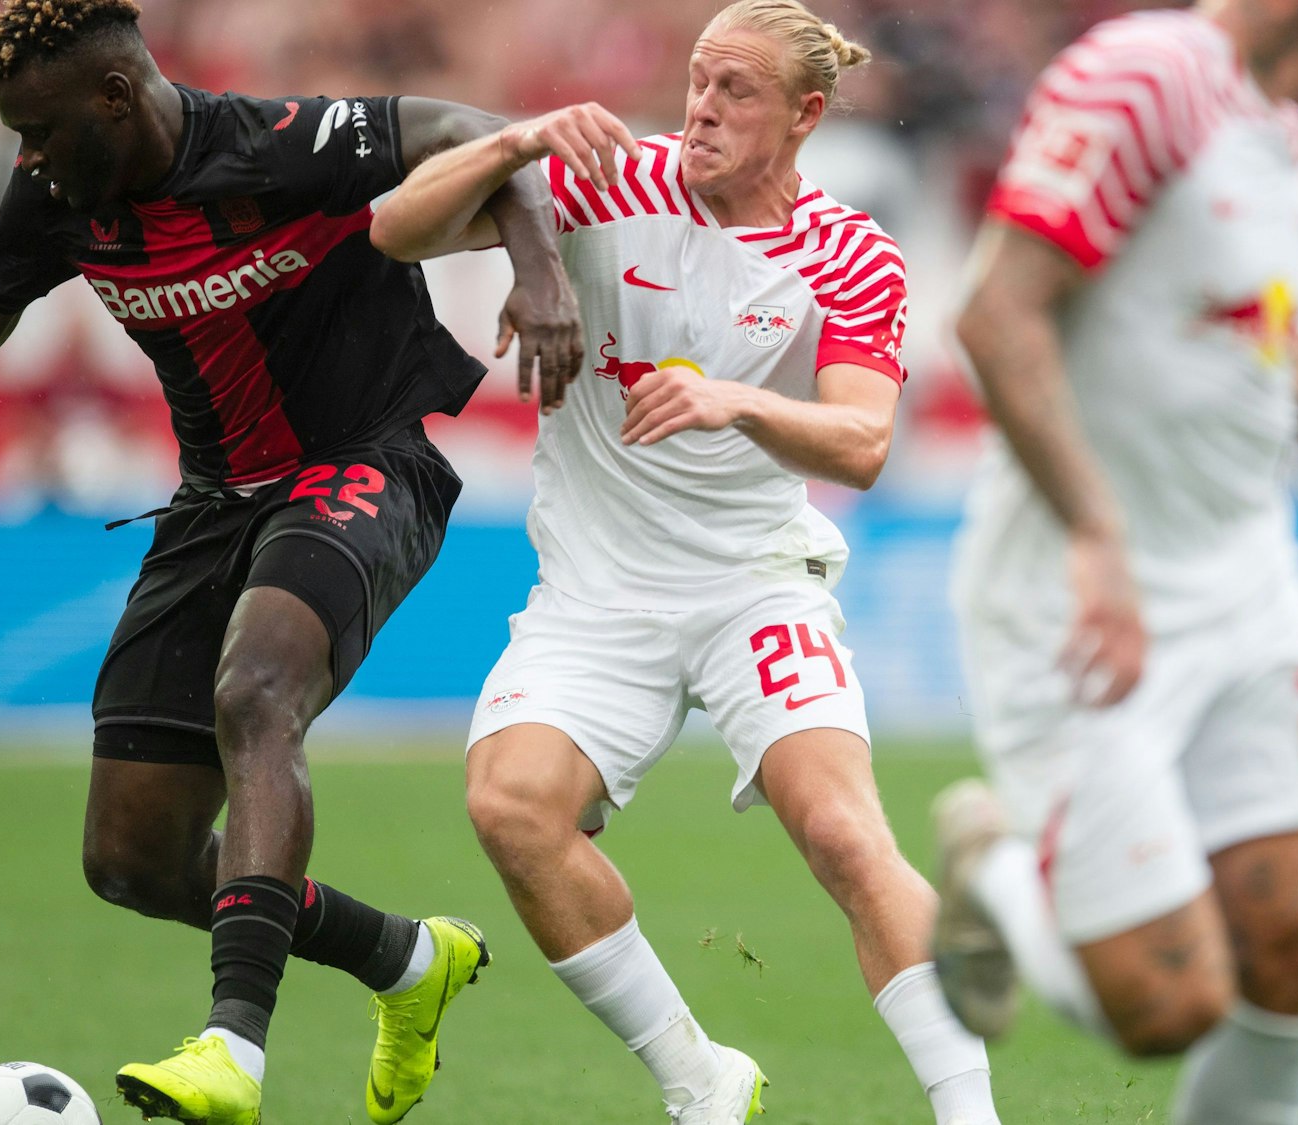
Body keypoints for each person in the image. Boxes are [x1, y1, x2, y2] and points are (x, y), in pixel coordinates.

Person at [0, 0, 590, 1121]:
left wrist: (538, 272)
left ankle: (232, 1052)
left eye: (40, 130)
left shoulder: (283, 143)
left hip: (364, 464)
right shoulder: (57, 201)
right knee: (132, 858)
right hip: (215, 505)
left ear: (115, 98)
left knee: (256, 693)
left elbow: (481, 135)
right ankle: (406, 961)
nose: (27, 158)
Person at [370, 3, 1000, 1122]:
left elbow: (860, 443)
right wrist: (515, 142)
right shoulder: (613, 181)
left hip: (749, 580)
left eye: (737, 92)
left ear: (805, 115)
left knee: (845, 837)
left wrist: (732, 401)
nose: (701, 109)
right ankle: (699, 1083)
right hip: (594, 597)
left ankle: (970, 1116)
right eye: (699, 82)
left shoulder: (851, 256)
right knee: (511, 808)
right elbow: (395, 230)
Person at [934, 0, 1298, 1122]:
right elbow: (995, 314)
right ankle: (993, 867)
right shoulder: (1145, 76)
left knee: (1295, 953)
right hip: (1081, 591)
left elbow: (1253, 329)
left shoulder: (1280, 126)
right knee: (1165, 1007)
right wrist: (1097, 537)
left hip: (1243, 582)